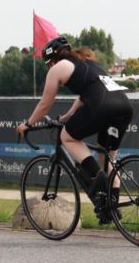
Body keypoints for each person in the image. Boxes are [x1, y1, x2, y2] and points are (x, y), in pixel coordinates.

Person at [16, 36, 131, 221]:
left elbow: (45, 103)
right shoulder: (88, 62)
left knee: (67, 137)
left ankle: (96, 176)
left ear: (50, 61)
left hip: (102, 106)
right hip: (124, 106)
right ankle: (111, 211)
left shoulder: (58, 68)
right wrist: (69, 115)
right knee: (108, 161)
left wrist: (28, 124)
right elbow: (88, 93)